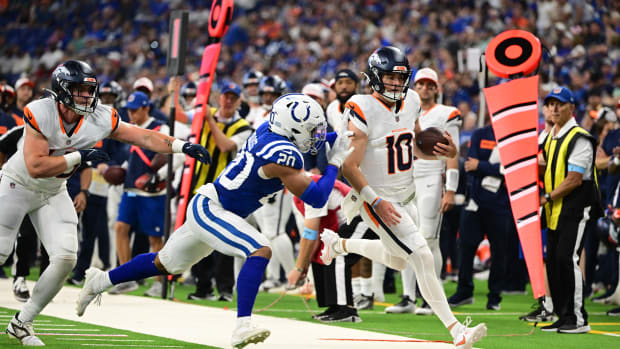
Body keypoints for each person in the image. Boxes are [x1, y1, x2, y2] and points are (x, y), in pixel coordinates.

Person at [76, 93, 353, 349]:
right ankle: (242, 326)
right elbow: (317, 197)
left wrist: (332, 136)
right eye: (312, 130)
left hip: (212, 205)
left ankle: (100, 280)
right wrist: (335, 161)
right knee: (260, 249)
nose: (316, 136)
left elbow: (303, 142)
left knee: (164, 263)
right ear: (290, 128)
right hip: (214, 208)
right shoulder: (284, 155)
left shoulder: (269, 130)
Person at [0, 59, 211, 346]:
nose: (86, 97)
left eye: (89, 91)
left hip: (53, 189)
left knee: (65, 259)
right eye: (79, 90)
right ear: (62, 90)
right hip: (18, 184)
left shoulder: (99, 116)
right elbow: (36, 165)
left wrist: (181, 146)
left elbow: (144, 136)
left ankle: (22, 322)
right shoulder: (41, 112)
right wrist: (80, 157)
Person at [319, 46, 486, 348]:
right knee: (421, 255)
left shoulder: (410, 100)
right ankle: (456, 330)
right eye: (389, 77)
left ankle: (338, 244)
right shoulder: (359, 106)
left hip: (406, 193)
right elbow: (349, 165)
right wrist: (376, 202)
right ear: (373, 77)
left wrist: (440, 151)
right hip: (376, 197)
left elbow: (414, 144)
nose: (396, 84)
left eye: (400, 77)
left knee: (399, 261)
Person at [387, 67, 462, 315]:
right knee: (406, 237)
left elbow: (453, 151)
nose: (425, 89)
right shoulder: (403, 110)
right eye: (420, 84)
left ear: (437, 89)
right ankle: (408, 296)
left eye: (430, 85)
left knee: (429, 239)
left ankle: (431, 298)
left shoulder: (446, 114)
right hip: (405, 178)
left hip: (431, 176)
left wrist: (450, 189)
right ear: (414, 87)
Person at [538, 86, 603, 334]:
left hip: (575, 205)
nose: (554, 108)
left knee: (568, 258)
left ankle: (578, 318)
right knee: (554, 261)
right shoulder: (553, 136)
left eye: (560, 104)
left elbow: (574, 179)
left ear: (571, 108)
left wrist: (546, 196)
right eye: (551, 104)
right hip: (557, 206)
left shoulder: (579, 137)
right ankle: (564, 315)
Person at [186, 82, 253, 301]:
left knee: (224, 238)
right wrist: (173, 91)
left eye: (233, 97)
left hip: (225, 189)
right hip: (198, 184)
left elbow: (225, 146)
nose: (228, 100)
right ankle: (202, 286)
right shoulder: (206, 113)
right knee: (199, 237)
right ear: (219, 97)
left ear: (239, 101)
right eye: (226, 96)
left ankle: (225, 288)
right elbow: (178, 116)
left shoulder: (244, 126)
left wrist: (209, 120)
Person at [289, 174, 375, 322]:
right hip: (348, 222)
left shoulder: (312, 188)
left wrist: (299, 267)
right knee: (324, 253)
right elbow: (317, 234)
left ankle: (346, 309)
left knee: (335, 252)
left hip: (365, 217)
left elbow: (313, 233)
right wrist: (306, 264)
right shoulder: (301, 189)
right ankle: (334, 305)